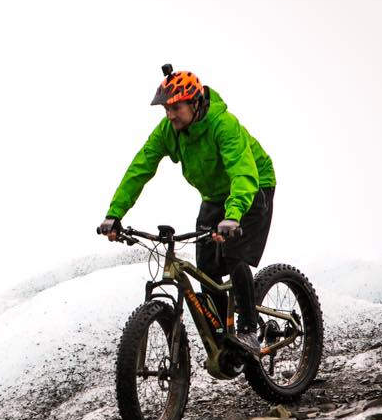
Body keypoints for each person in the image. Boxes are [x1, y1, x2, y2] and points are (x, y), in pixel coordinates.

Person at [99, 65, 276, 357]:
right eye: (166, 109)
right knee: (206, 267)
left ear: (195, 103)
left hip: (252, 187)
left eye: (175, 108)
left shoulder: (223, 124)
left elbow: (243, 173)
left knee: (234, 254)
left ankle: (249, 331)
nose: (170, 115)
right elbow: (141, 167)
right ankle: (225, 337)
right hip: (214, 196)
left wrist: (233, 216)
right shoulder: (170, 131)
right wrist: (115, 214)